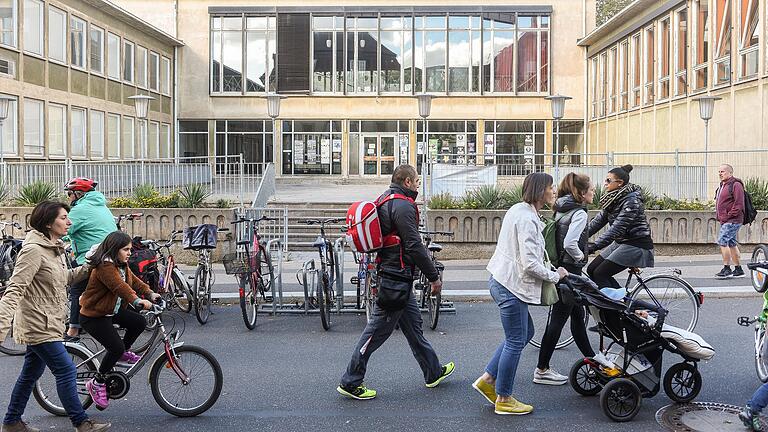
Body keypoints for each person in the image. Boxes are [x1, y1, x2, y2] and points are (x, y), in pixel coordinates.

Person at [337, 164, 454, 401]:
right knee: (376, 332)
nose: (419, 185)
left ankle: (433, 371)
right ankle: (351, 381)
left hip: (395, 275)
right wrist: (433, 276)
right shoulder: (402, 205)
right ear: (407, 182)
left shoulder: (384, 199)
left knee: (414, 327)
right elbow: (413, 244)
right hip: (395, 277)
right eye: (417, 181)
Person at [0, 201, 111, 432]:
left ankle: (11, 422)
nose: (69, 222)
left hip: (51, 321)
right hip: (37, 323)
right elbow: (15, 288)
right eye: (63, 218)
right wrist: (1, 324)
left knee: (30, 373)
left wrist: (90, 264)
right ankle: (81, 423)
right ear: (48, 223)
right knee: (66, 370)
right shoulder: (33, 251)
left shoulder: (54, 248)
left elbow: (64, 278)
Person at [472, 172, 568, 415]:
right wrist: (556, 276)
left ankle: (487, 380)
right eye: (550, 187)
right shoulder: (527, 219)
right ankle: (504, 398)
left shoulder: (519, 209)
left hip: (502, 279)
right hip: (510, 287)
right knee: (516, 339)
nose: (553, 190)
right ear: (539, 191)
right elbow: (529, 264)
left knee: (525, 333)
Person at [534, 173, 603, 385]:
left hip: (560, 268)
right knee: (559, 320)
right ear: (582, 193)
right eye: (591, 189)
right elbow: (570, 244)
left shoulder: (561, 209)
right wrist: (581, 257)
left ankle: (594, 361)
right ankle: (542, 369)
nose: (593, 192)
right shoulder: (579, 213)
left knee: (576, 316)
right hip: (569, 270)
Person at [79, 231, 160, 410]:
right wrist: (137, 300)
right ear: (114, 249)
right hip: (94, 315)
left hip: (110, 311)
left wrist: (150, 293)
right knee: (115, 347)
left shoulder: (121, 265)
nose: (129, 253)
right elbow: (120, 287)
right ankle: (97, 383)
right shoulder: (105, 267)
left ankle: (123, 352)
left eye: (130, 249)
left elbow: (134, 282)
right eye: (126, 249)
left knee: (139, 322)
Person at [586, 164, 654, 289]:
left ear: (620, 183)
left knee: (600, 273)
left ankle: (617, 306)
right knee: (591, 270)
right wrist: (580, 237)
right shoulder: (614, 199)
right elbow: (598, 222)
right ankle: (619, 302)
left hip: (636, 245)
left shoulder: (631, 201)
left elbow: (617, 228)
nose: (605, 183)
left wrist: (594, 246)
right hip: (622, 243)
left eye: (608, 180)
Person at [64, 177, 116, 338]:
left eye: (69, 194)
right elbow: (88, 230)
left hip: (93, 256)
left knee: (75, 288)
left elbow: (64, 229)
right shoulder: (101, 205)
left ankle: (73, 331)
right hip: (110, 255)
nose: (68, 198)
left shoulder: (80, 209)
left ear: (78, 194)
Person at [714, 164, 746, 279]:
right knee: (731, 243)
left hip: (732, 220)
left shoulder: (735, 185)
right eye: (719, 171)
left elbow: (739, 204)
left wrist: (728, 216)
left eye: (722, 171)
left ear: (730, 173)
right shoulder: (723, 185)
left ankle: (727, 269)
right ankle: (738, 269)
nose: (720, 173)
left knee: (723, 241)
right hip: (726, 220)